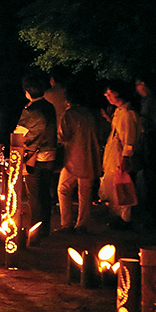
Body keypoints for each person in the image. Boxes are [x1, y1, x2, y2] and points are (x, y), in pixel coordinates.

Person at [14, 74, 57, 237]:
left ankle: (35, 230)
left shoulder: (31, 111)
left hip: (34, 157)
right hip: (51, 155)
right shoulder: (49, 107)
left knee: (35, 196)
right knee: (45, 193)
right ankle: (45, 227)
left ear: (27, 91)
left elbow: (19, 135)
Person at [57, 89, 102, 234]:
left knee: (63, 189)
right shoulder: (89, 114)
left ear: (67, 100)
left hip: (73, 157)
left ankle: (66, 223)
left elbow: (62, 136)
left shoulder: (69, 114)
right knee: (85, 193)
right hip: (90, 156)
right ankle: (82, 224)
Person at [98, 82, 140, 227]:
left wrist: (125, 158)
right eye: (106, 94)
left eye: (110, 93)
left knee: (122, 187)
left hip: (119, 156)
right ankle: (118, 216)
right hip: (114, 154)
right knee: (114, 186)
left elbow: (129, 139)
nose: (107, 96)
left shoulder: (128, 114)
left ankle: (125, 219)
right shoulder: (119, 112)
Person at [134, 77, 156, 229]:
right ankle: (155, 218)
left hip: (153, 146)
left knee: (153, 182)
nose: (136, 88)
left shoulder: (152, 103)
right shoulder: (149, 102)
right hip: (151, 145)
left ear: (144, 85)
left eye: (138, 85)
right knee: (152, 182)